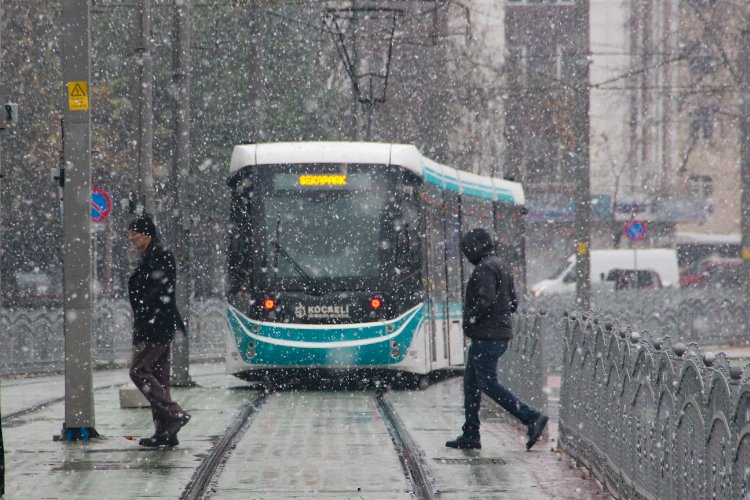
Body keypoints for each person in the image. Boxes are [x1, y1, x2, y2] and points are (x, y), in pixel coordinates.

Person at [446, 228, 548, 451]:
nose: (466, 255)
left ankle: (531, 417)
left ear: (474, 248)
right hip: (496, 334)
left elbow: (486, 300)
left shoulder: (484, 269)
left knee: (487, 384)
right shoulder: (500, 265)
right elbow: (512, 303)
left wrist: (471, 320)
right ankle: (471, 433)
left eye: (466, 250)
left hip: (487, 336)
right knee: (471, 383)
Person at [128, 214, 191, 448]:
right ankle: (165, 432)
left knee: (139, 371)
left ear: (147, 235)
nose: (131, 238)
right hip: (157, 325)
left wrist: (146, 313)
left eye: (135, 234)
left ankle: (174, 414)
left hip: (156, 326)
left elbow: (159, 292)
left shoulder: (159, 257)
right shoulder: (151, 257)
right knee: (160, 378)